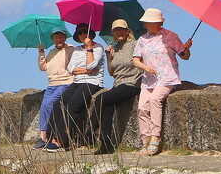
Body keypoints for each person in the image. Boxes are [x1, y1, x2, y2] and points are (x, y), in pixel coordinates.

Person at [131, 8, 192, 155]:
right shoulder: (142, 39)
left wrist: (187, 48)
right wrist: (146, 67)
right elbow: (136, 60)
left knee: (155, 100)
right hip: (148, 79)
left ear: (156, 22)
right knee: (142, 107)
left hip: (167, 77)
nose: (145, 25)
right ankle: (145, 140)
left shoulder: (171, 36)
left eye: (147, 22)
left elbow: (184, 56)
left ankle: (155, 138)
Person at [45, 23, 105, 152]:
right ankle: (51, 136)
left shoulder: (98, 48)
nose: (83, 35)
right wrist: (85, 70)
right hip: (77, 82)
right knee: (58, 103)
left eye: (86, 32)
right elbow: (71, 68)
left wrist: (89, 48)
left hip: (92, 82)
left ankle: (61, 140)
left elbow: (92, 66)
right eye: (80, 33)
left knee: (72, 106)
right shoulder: (77, 49)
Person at [88, 19, 143, 154]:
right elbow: (112, 73)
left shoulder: (135, 45)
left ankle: (89, 132)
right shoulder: (114, 48)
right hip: (118, 84)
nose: (119, 32)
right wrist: (109, 57)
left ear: (127, 31)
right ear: (113, 33)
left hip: (132, 83)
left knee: (101, 98)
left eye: (122, 30)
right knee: (107, 107)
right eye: (116, 30)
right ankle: (106, 145)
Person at [33, 29, 75, 149]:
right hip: (52, 84)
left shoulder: (70, 49)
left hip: (65, 83)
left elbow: (72, 64)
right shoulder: (51, 52)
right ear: (53, 39)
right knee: (44, 106)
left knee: (48, 103)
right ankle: (43, 137)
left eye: (61, 37)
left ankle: (47, 135)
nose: (59, 40)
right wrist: (41, 53)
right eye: (56, 38)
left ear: (65, 38)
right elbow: (43, 67)